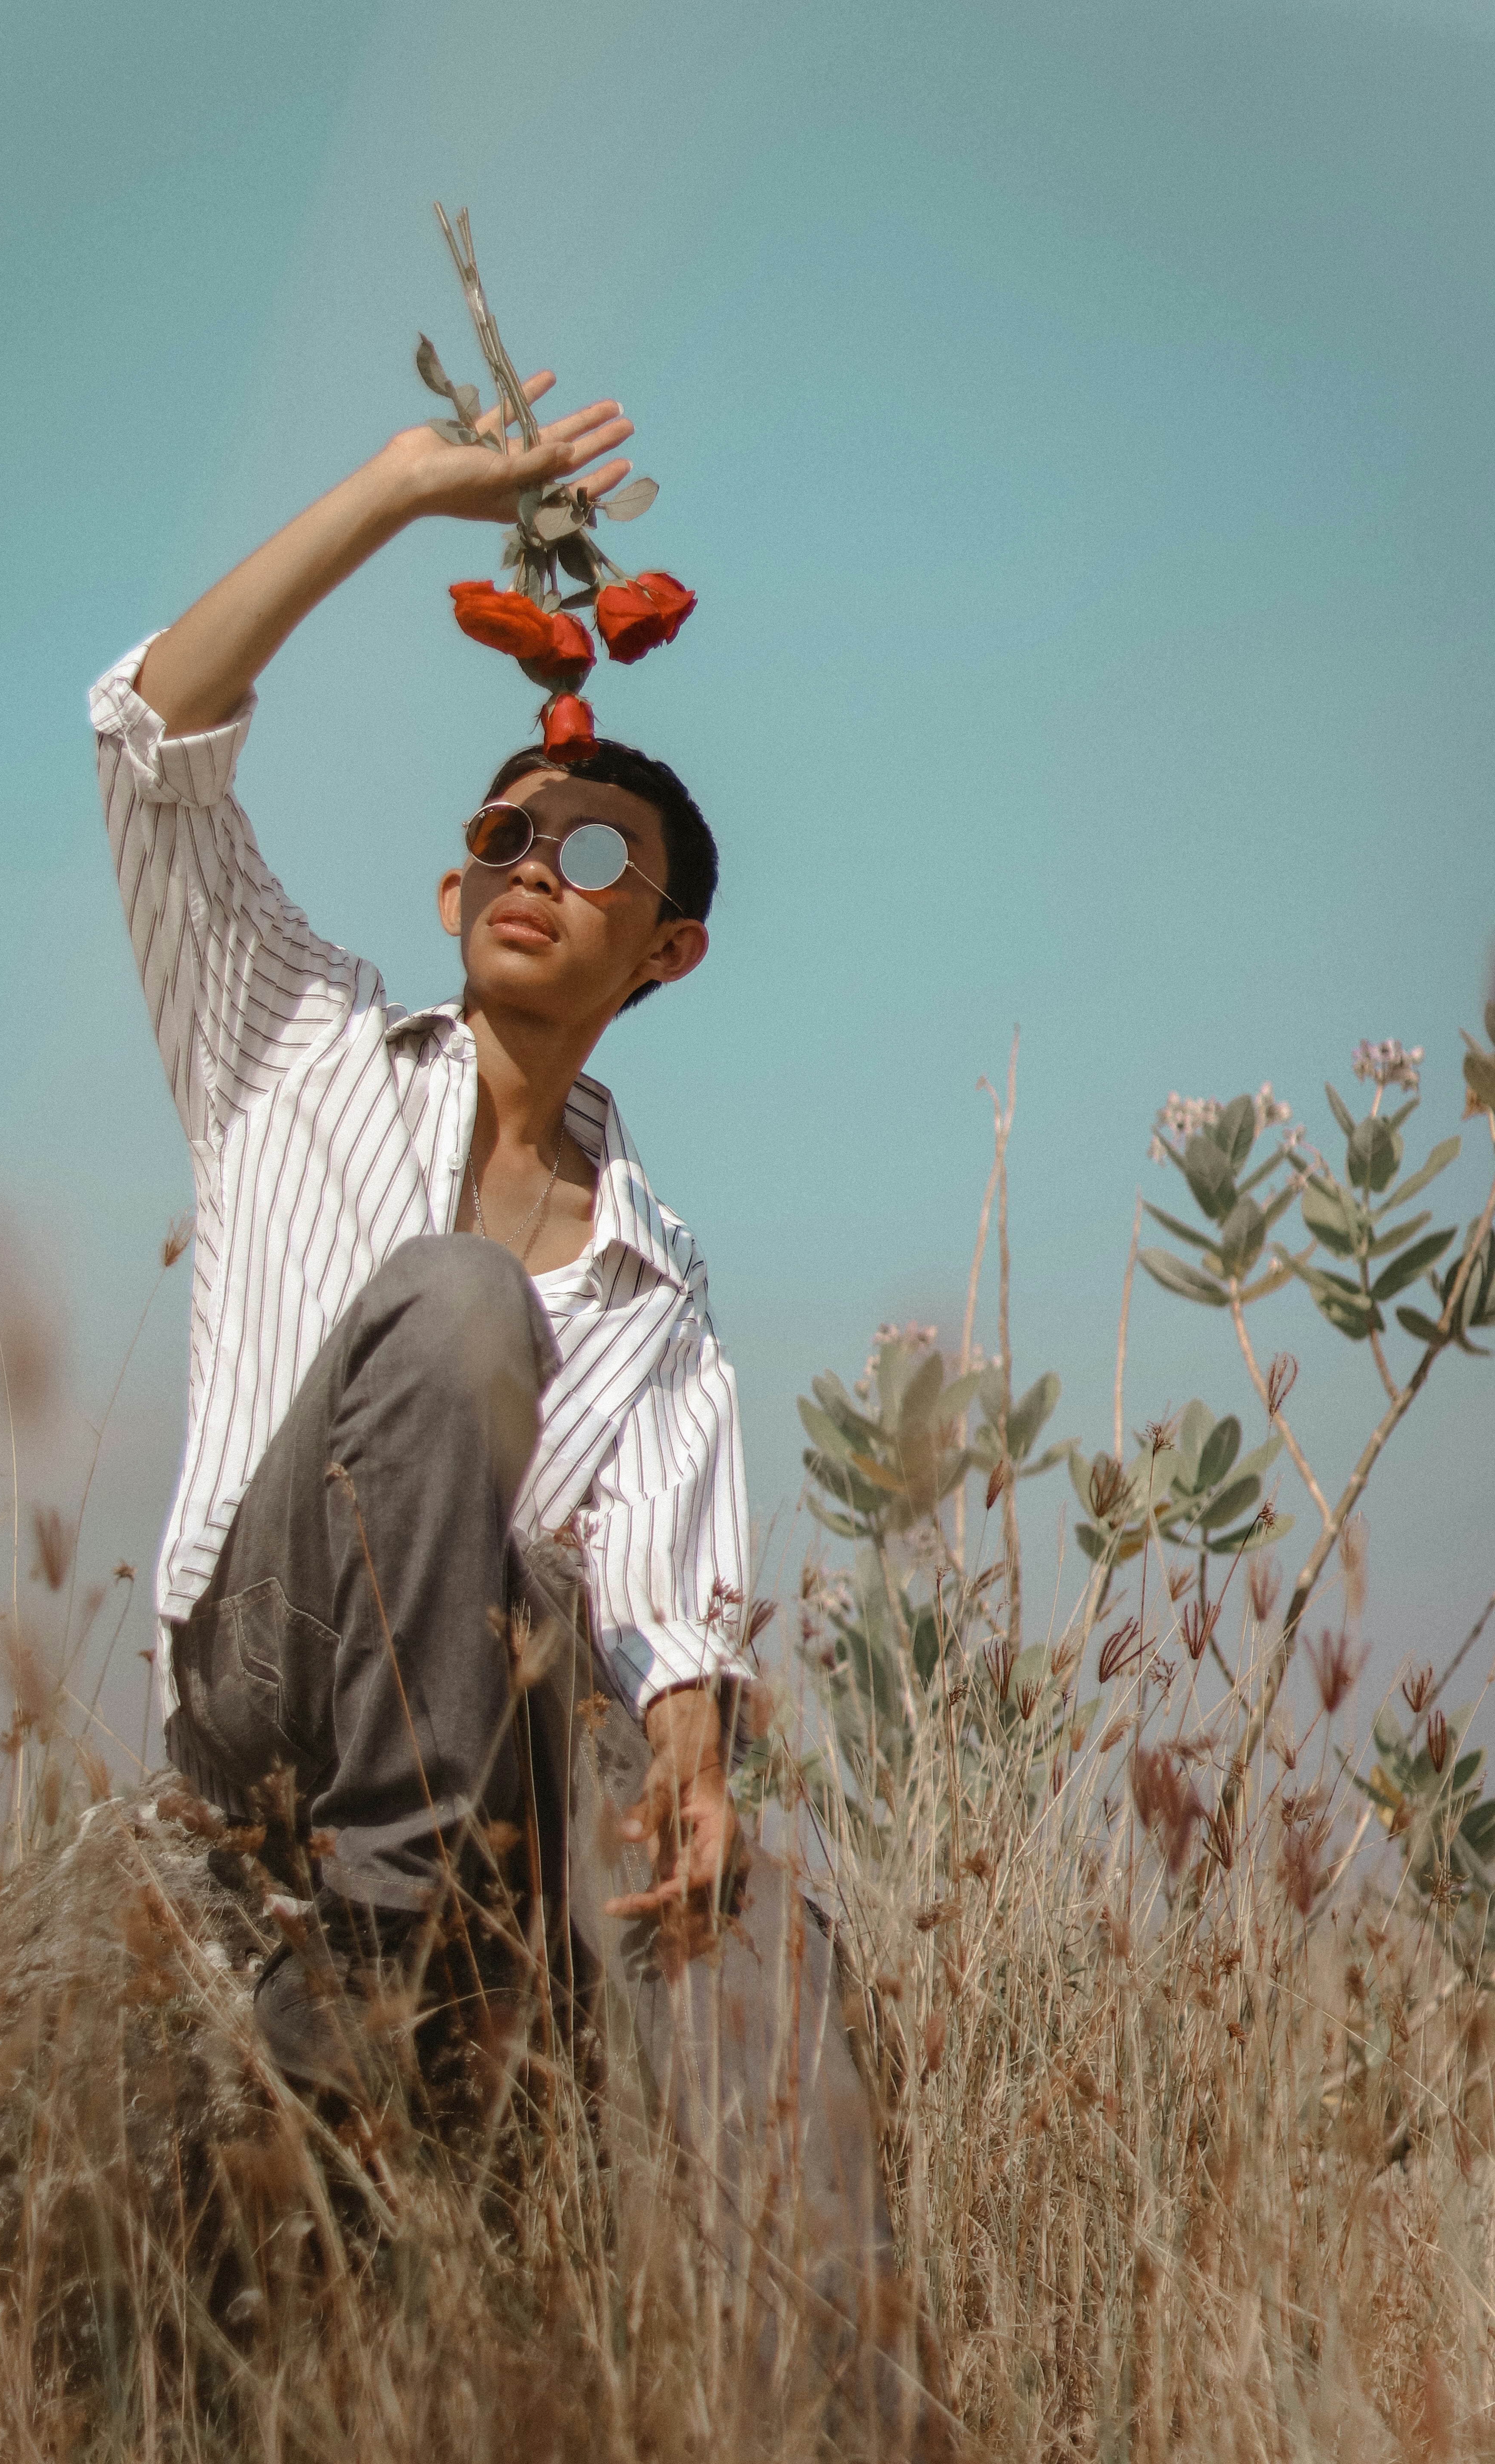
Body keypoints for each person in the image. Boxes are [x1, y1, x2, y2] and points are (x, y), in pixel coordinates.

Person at [88, 367, 948, 2442]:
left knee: (743, 1899)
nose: (530, 865)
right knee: (465, 1307)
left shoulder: (662, 1277)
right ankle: (391, 2002)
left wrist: (694, 1769)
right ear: (454, 889)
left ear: (673, 948)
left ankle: (817, 2404)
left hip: (509, 1736)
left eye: (587, 848)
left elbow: (664, 1599)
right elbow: (148, 747)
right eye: (500, 838)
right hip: (273, 1673)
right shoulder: (293, 1044)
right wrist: (399, 492)